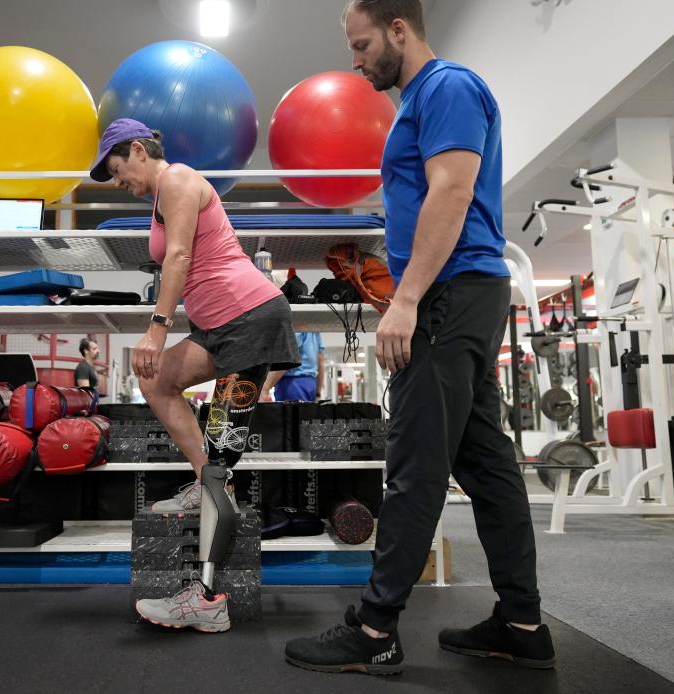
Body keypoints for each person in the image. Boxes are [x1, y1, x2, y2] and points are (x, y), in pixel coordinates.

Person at [284, 0, 555, 676]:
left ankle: (375, 628)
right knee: (485, 464)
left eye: (363, 43)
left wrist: (405, 301)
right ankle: (521, 624)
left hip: (446, 295)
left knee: (413, 466)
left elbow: (452, 192)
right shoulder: (423, 101)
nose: (356, 59)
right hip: (455, 292)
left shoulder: (448, 87)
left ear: (399, 30)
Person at [88, 118, 300, 633]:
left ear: (138, 150)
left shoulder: (179, 180)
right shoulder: (160, 197)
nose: (121, 185)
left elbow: (180, 256)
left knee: (219, 463)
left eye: (119, 172)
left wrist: (156, 331)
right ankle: (207, 476)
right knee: (156, 382)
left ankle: (207, 599)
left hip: (248, 319)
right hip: (218, 328)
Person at [261, 332, 325, 402]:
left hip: (292, 384)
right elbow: (320, 359)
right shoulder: (314, 328)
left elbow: (287, 356)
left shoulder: (296, 325)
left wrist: (265, 388)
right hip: (310, 384)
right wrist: (318, 392)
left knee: (292, 412)